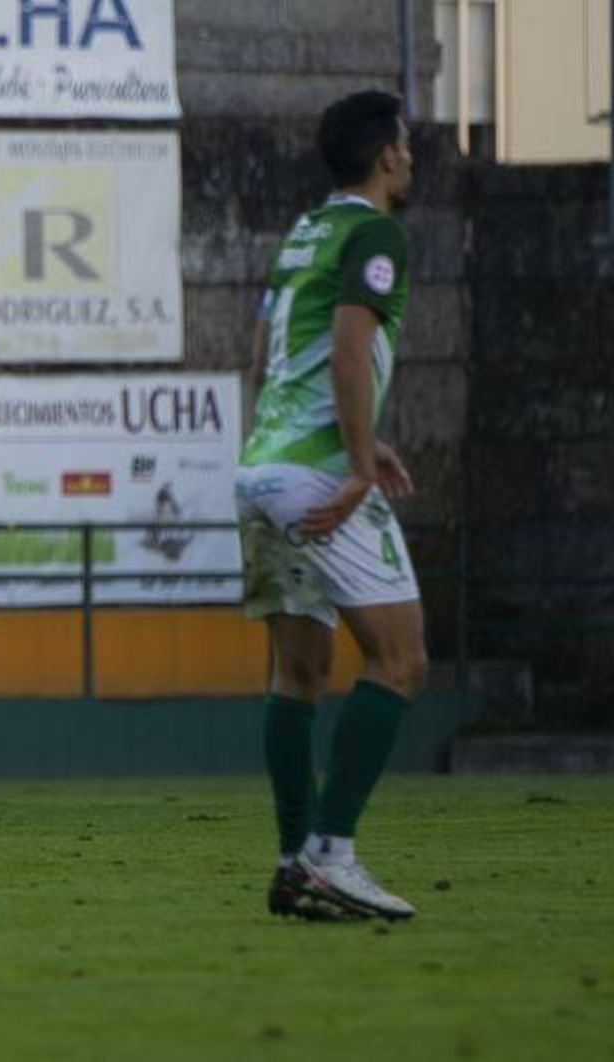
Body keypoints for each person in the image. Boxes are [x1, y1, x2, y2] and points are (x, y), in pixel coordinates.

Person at [235, 90, 427, 921]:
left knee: (300, 674)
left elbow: (261, 362)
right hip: (317, 477)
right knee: (402, 660)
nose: (411, 160)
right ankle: (332, 853)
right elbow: (350, 353)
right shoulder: (376, 233)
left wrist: (347, 442)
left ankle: (291, 863)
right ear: (386, 155)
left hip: (262, 468)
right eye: (408, 147)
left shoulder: (302, 237)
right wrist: (355, 465)